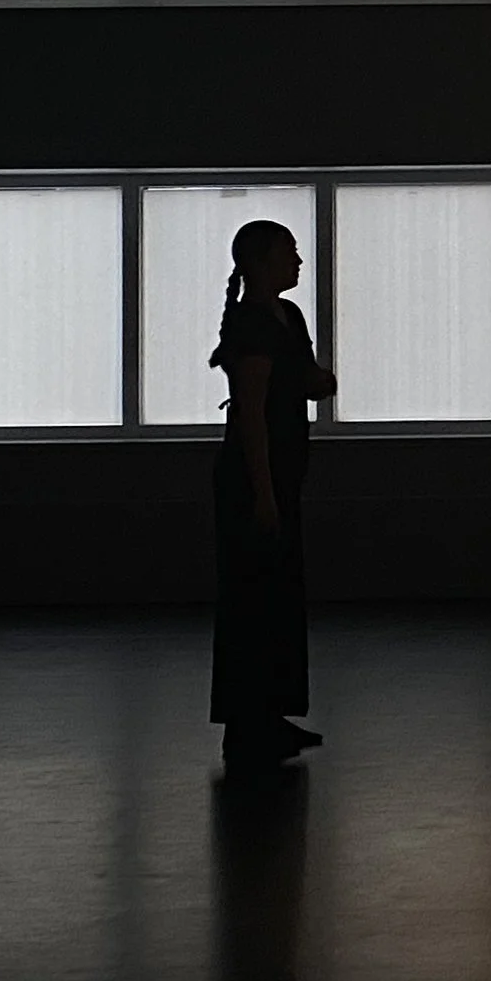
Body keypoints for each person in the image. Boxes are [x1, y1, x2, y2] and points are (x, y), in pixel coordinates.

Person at [210, 221, 335, 771]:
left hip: (281, 475)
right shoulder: (254, 324)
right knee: (253, 598)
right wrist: (263, 494)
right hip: (255, 478)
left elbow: (300, 380)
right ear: (261, 263)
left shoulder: (287, 317)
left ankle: (271, 714)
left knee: (278, 595)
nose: (298, 262)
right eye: (290, 253)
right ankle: (247, 724)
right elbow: (252, 416)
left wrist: (318, 382)